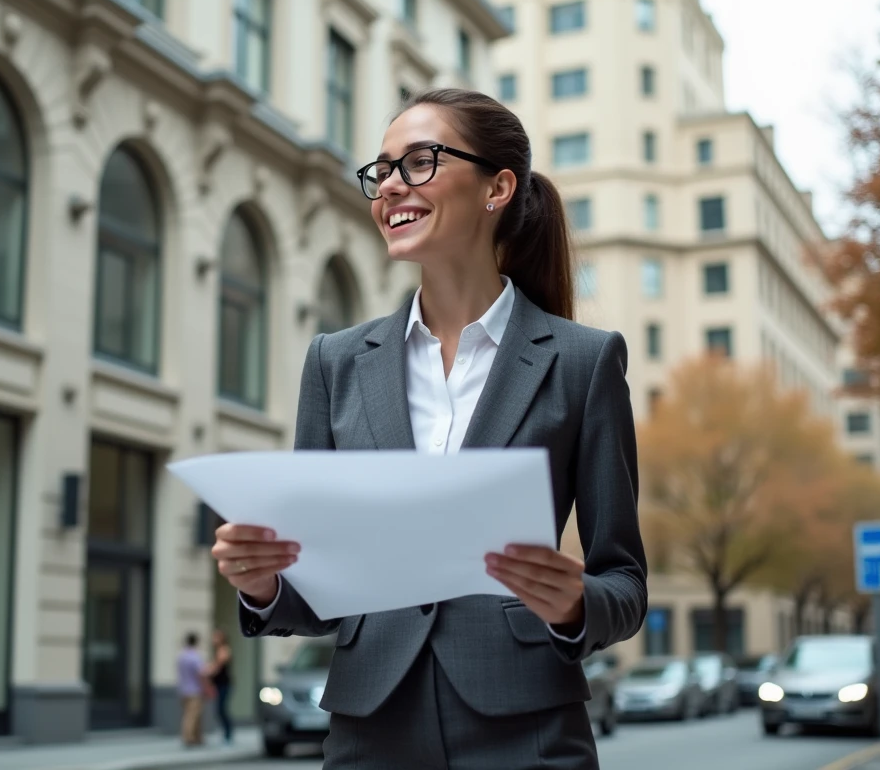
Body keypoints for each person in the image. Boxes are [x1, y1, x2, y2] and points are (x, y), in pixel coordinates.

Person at [211, 88, 646, 769]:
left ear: (498, 186)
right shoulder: (336, 362)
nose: (389, 186)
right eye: (381, 170)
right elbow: (320, 596)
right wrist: (263, 583)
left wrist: (573, 602)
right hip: (370, 727)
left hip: (524, 728)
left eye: (418, 163)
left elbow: (625, 581)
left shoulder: (583, 362)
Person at [176, 632, 206, 747]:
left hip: (183, 690)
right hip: (194, 690)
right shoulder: (195, 656)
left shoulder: (181, 656)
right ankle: (188, 737)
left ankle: (197, 737)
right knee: (192, 715)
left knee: (192, 714)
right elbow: (201, 673)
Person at [206, 628, 233, 744]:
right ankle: (226, 734)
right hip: (219, 685)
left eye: (216, 637)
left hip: (224, 684)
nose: (213, 639)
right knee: (219, 710)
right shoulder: (217, 651)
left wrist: (206, 671)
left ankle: (228, 734)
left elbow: (216, 666)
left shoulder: (224, 650)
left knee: (221, 709)